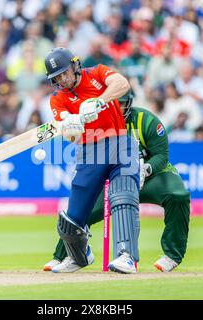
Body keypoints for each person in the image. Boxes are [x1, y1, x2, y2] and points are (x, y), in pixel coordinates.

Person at [44, 91, 190, 273]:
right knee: (82, 209)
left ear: (128, 103)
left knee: (178, 196)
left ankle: (172, 256)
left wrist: (146, 169)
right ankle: (65, 255)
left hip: (151, 177)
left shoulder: (146, 121)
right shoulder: (98, 125)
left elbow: (162, 155)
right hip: (117, 179)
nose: (117, 109)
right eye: (112, 104)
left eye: (120, 104)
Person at [44, 47, 140, 274]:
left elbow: (122, 84)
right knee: (72, 218)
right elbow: (70, 137)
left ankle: (126, 257)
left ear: (74, 66)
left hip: (119, 142)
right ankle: (78, 256)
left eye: (64, 72)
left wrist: (99, 101)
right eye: (56, 77)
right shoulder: (58, 99)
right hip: (88, 150)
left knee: (123, 197)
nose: (62, 79)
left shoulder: (96, 72)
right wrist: (72, 123)